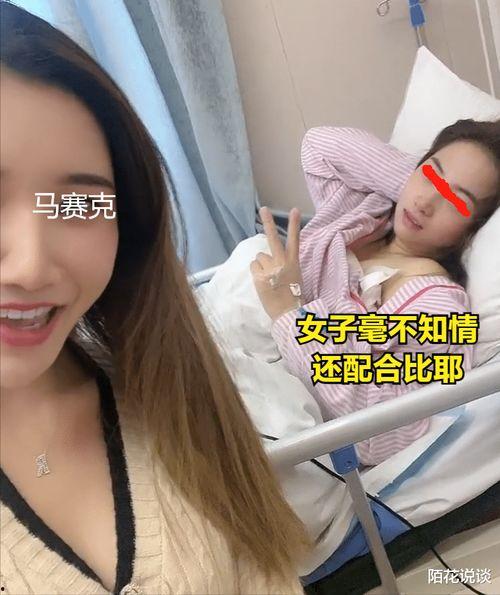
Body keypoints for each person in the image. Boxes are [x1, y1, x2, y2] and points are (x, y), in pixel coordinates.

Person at [0, 3, 309, 594]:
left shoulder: (438, 297)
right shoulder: (339, 226)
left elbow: (364, 391)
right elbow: (327, 149)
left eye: (77, 206)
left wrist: (296, 313)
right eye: (432, 175)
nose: (33, 265)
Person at [252, 120, 500, 466]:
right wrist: (414, 184)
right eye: (431, 173)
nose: (426, 203)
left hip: (269, 411)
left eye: (456, 201)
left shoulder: (438, 305)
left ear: (476, 230)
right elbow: (319, 146)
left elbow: (377, 430)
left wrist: (288, 313)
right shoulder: (367, 210)